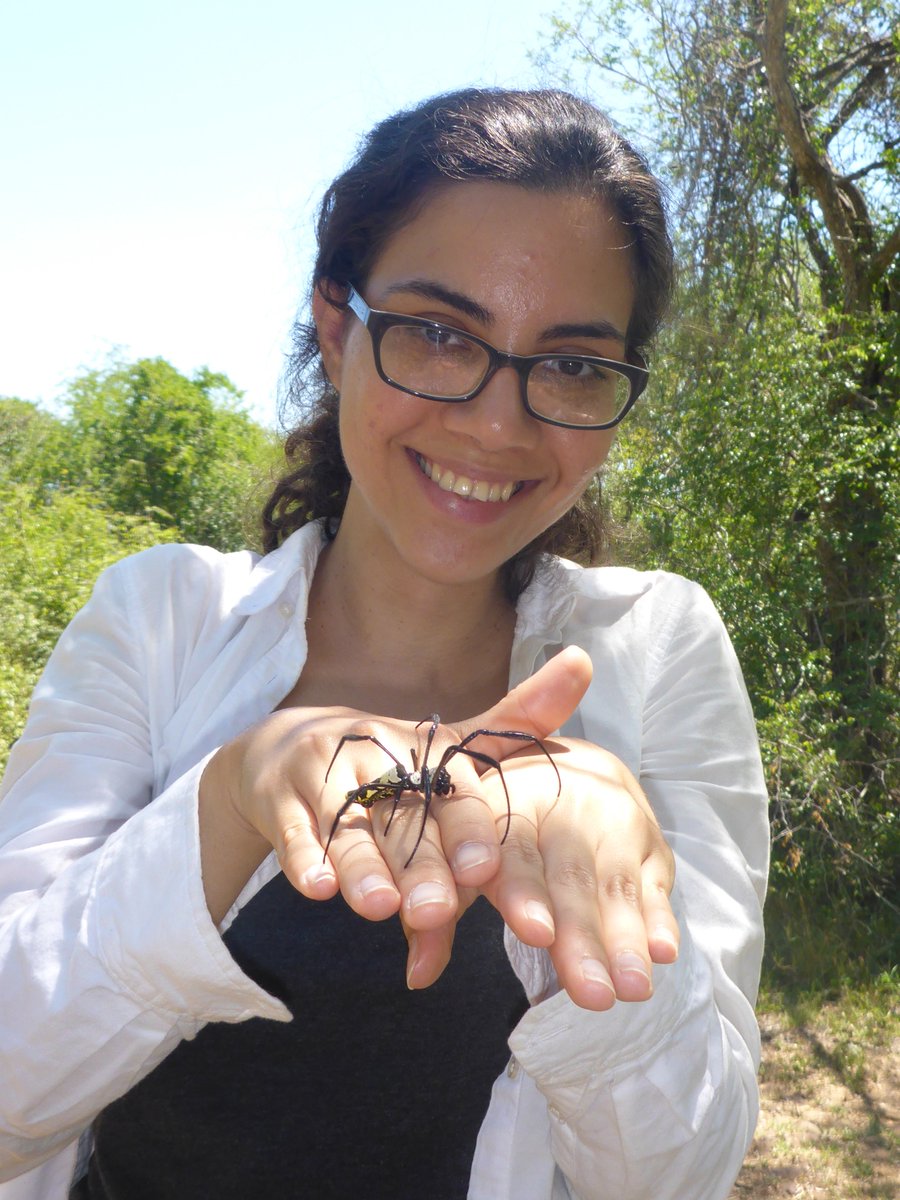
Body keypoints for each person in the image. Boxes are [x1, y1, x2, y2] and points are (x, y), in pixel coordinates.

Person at [0, 88, 769, 1199]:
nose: (497, 423)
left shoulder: (659, 651)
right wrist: (225, 800)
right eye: (441, 334)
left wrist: (607, 933)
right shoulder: (158, 617)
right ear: (334, 323)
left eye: (570, 364)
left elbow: (681, 1174)